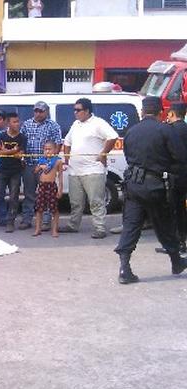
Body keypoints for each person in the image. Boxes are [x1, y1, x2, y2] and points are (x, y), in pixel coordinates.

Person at [114, 96, 187, 284]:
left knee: (131, 226)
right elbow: (180, 156)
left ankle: (124, 268)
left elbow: (129, 156)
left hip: (133, 185)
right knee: (164, 224)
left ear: (142, 112)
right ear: (160, 112)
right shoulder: (165, 130)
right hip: (155, 185)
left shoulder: (131, 131)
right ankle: (176, 261)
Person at [59, 98, 118, 239]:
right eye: (74, 110)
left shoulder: (98, 123)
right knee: (75, 201)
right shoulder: (76, 124)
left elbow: (113, 137)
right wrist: (67, 159)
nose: (75, 113)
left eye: (78, 110)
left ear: (87, 111)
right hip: (75, 170)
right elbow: (67, 142)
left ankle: (100, 227)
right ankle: (73, 225)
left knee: (96, 201)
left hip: (93, 170)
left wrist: (103, 154)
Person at [19, 101, 63, 231]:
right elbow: (21, 142)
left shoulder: (53, 126)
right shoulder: (26, 124)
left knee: (48, 194)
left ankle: (46, 221)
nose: (38, 113)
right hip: (30, 164)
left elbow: (58, 144)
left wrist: (52, 162)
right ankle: (27, 219)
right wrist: (22, 157)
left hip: (47, 166)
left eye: (41, 111)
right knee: (29, 194)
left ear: (46, 112)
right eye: (36, 111)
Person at [155, 103, 187, 254]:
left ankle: (177, 243)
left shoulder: (171, 131)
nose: (166, 117)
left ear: (173, 114)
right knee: (181, 209)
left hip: (175, 175)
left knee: (174, 210)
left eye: (168, 114)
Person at [0, 112, 27, 233]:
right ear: (8, 123)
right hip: (2, 170)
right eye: (14, 122)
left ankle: (10, 222)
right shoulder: (1, 136)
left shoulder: (22, 137)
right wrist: (13, 150)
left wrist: (6, 151)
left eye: (18, 121)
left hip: (16, 171)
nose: (17, 124)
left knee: (14, 197)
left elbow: (20, 155)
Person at [33, 141, 64, 237]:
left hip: (52, 186)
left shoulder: (57, 161)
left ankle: (54, 230)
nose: (47, 151)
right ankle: (38, 229)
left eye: (50, 149)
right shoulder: (42, 160)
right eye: (45, 149)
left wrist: (60, 189)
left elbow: (60, 176)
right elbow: (35, 171)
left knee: (54, 209)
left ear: (55, 150)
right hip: (42, 186)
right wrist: (40, 166)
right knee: (39, 209)